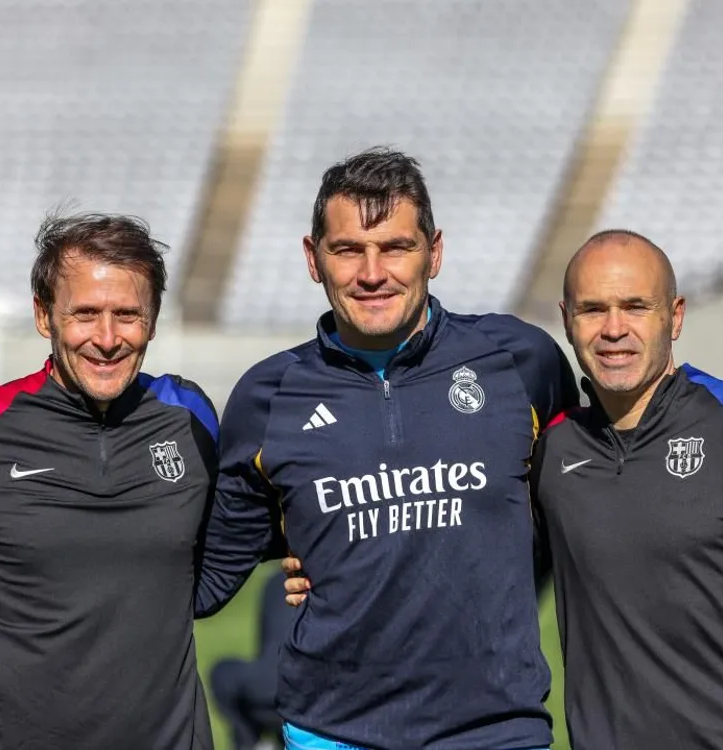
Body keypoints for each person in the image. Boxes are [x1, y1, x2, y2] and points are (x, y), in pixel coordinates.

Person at [194, 148, 578, 750]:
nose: (373, 273)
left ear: (435, 251)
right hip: (331, 733)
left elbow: (584, 496)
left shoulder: (522, 362)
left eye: (396, 247)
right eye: (348, 249)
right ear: (312, 259)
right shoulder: (266, 397)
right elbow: (208, 575)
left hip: (494, 730)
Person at [530, 229, 723, 749]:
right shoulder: (554, 448)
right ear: (566, 319)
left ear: (674, 316)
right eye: (592, 309)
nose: (613, 329)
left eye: (635, 306)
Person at [0, 213, 219, 749]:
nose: (107, 338)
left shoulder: (190, 416)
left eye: (128, 315)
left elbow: (237, 537)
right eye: (85, 313)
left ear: (152, 320)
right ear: (44, 315)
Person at [210, 571, 297, 750]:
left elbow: (267, 648)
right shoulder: (331, 579)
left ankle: (249, 742)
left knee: (222, 673)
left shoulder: (276, 581)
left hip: (265, 692)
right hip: (313, 702)